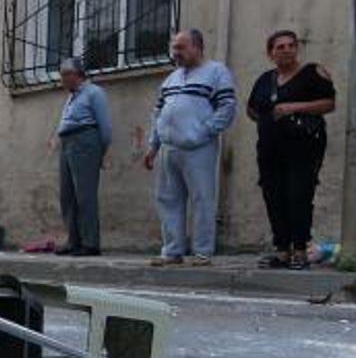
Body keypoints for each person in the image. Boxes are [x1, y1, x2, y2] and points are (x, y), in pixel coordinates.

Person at [142, 29, 237, 266]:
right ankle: (172, 250)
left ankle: (203, 252)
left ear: (197, 47)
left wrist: (202, 132)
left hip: (198, 147)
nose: (176, 53)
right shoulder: (171, 78)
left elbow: (226, 107)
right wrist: (153, 145)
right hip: (168, 148)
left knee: (202, 198)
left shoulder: (216, 72)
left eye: (181, 47)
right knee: (167, 198)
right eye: (174, 48)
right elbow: (158, 112)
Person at [246, 31, 336, 270]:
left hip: (304, 147)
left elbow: (329, 103)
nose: (286, 50)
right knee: (274, 196)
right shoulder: (265, 79)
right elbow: (252, 109)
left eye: (290, 45)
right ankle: (282, 250)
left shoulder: (313, 73)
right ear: (270, 53)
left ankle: (300, 250)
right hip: (270, 148)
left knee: (299, 196)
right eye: (279, 47)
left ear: (297, 49)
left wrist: (293, 108)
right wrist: (269, 122)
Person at [54, 57, 112, 257]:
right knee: (67, 195)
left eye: (64, 75)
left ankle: (90, 243)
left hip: (86, 141)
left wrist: (100, 152)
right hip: (68, 143)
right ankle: (74, 240)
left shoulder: (94, 93)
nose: (61, 79)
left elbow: (105, 128)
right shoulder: (72, 97)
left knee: (84, 195)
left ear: (76, 75)